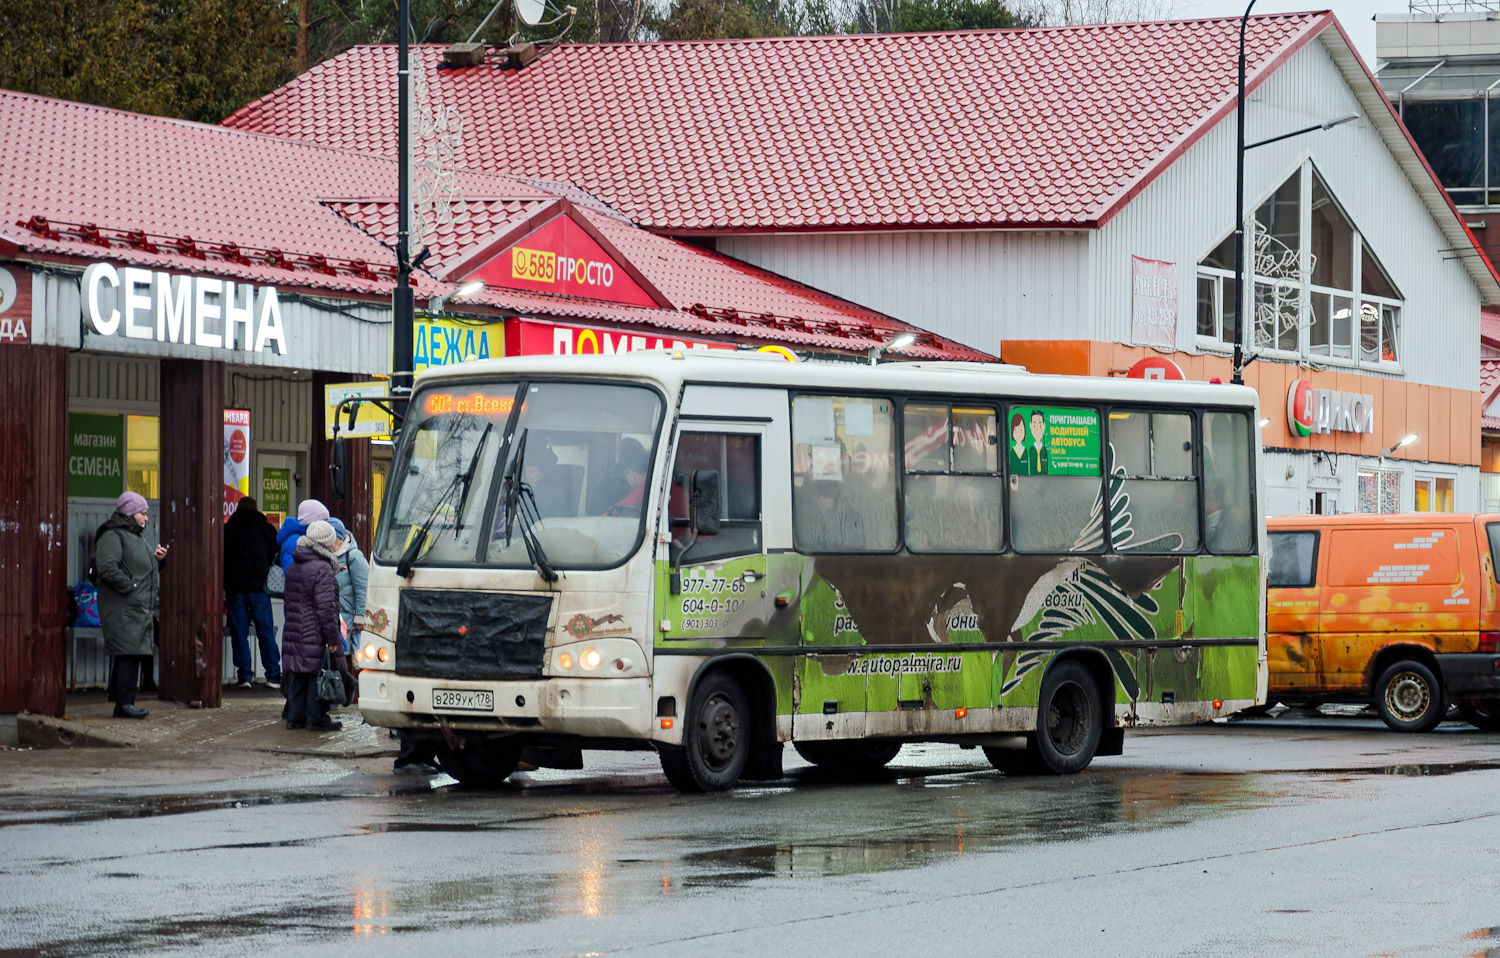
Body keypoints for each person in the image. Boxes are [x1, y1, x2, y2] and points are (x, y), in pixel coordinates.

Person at [95, 491, 168, 719]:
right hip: (122, 607)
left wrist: (158, 561)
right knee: (128, 652)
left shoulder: (135, 535)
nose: (146, 518)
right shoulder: (113, 535)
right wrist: (131, 587)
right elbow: (107, 567)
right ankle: (125, 704)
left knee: (131, 653)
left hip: (135, 607)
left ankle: (123, 703)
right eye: (142, 513)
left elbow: (141, 569)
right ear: (129, 513)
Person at [281, 520, 347, 732]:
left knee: (299, 674)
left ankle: (295, 718)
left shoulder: (294, 565)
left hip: (294, 629)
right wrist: (333, 639)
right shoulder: (322, 569)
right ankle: (316, 719)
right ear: (326, 543)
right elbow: (326, 609)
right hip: (313, 631)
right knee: (315, 675)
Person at [223, 496, 282, 690]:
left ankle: (244, 676)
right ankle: (273, 674)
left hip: (235, 587)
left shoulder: (228, 529)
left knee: (239, 632)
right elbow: (276, 554)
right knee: (265, 630)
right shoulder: (266, 530)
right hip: (259, 587)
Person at [328, 518, 368, 645]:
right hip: (335, 618)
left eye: (332, 540)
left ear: (340, 539)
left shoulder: (353, 556)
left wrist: (360, 619)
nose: (330, 545)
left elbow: (363, 589)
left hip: (351, 620)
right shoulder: (328, 556)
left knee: (350, 659)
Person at [277, 498, 329, 572]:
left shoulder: (305, 537)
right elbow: (292, 572)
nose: (326, 526)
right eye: (323, 521)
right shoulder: (294, 541)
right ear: (312, 522)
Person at [604, 438, 649, 517]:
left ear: (631, 472)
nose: (625, 476)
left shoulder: (642, 491)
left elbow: (612, 513)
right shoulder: (650, 484)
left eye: (626, 472)